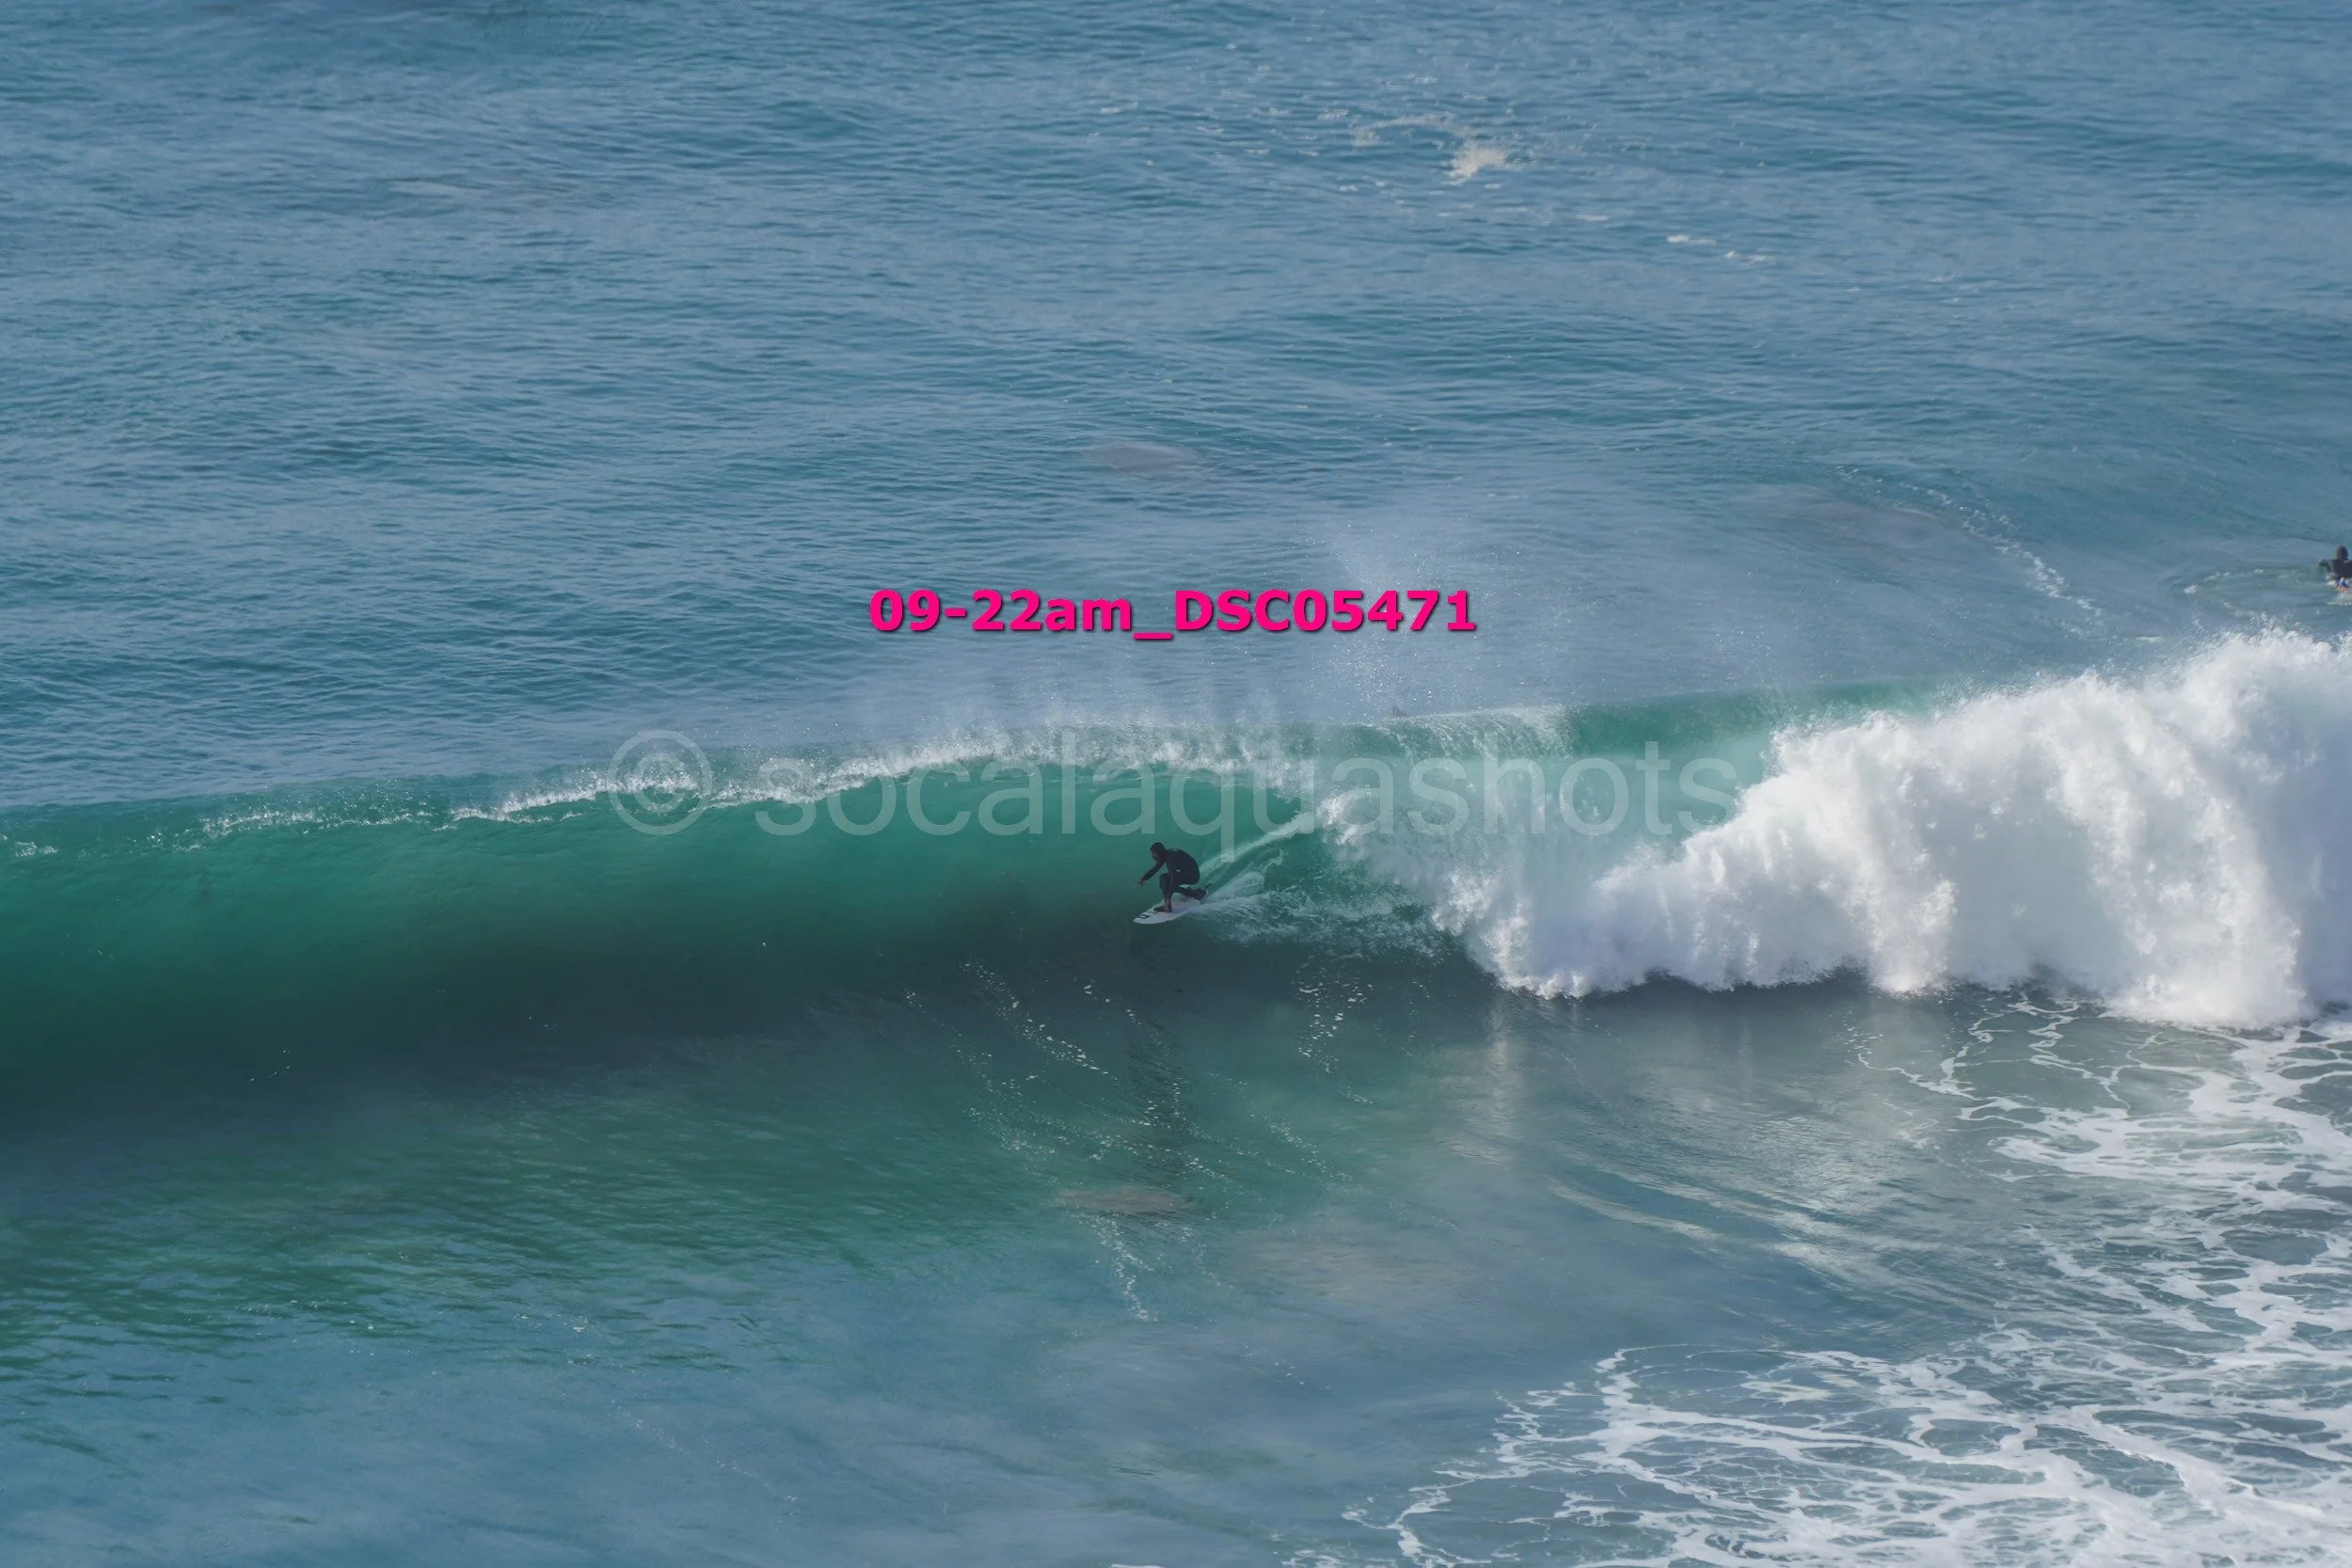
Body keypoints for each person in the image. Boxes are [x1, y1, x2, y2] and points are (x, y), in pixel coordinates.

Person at [1137, 842, 1205, 913]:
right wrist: (1143, 878)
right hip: (1188, 874)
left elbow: (1173, 880)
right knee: (1165, 881)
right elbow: (1155, 868)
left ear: (1159, 852)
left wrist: (1167, 899)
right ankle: (1192, 893)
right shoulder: (1166, 855)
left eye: (1154, 853)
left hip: (1193, 877)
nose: (1153, 855)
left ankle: (1169, 905)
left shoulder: (1171, 858)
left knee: (1165, 880)